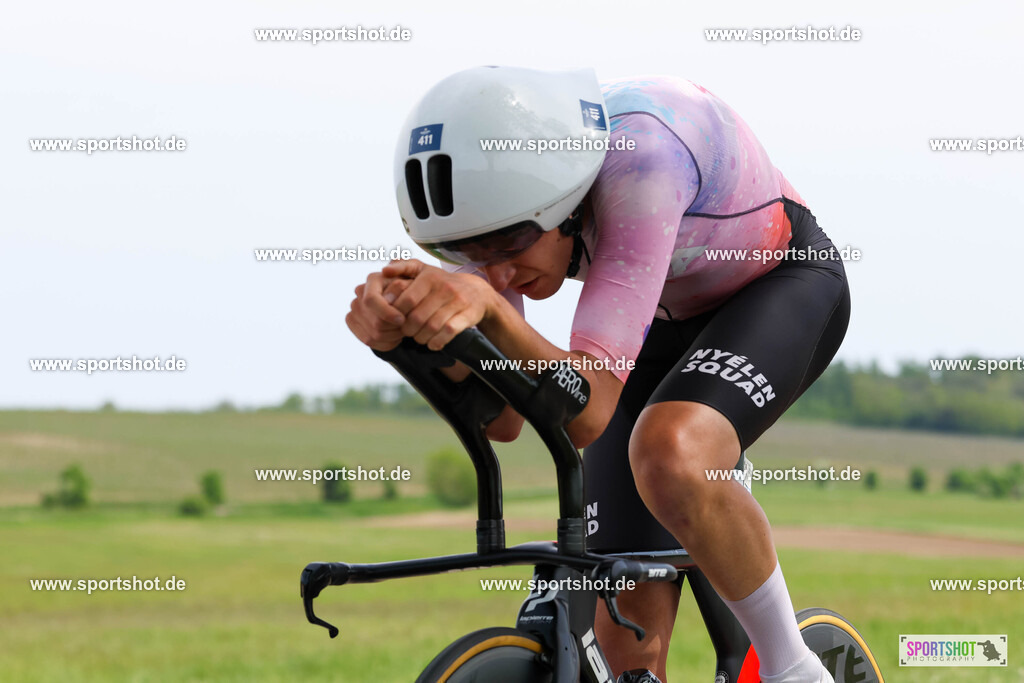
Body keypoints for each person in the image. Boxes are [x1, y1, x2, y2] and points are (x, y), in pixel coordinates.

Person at [346, 66, 850, 683]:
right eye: (464, 255)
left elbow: (586, 410)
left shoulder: (643, 160)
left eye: (508, 244)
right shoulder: (509, 215)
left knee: (672, 452)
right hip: (656, 321)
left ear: (561, 203)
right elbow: (503, 417)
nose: (496, 276)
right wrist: (413, 341)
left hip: (773, 286)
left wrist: (487, 317)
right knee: (625, 652)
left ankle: (794, 668)